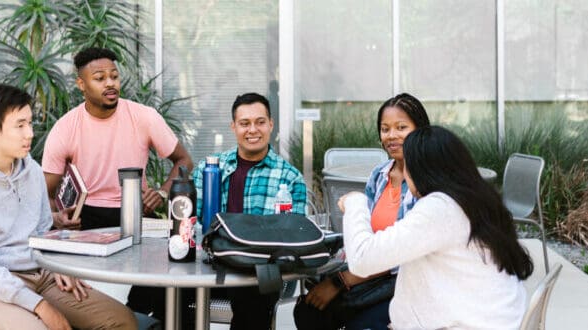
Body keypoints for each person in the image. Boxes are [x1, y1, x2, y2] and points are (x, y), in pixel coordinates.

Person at [0, 85, 138, 330]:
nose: (30, 133)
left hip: (43, 277)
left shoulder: (31, 170)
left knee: (121, 321)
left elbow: (44, 231)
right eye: (20, 125)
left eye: (30, 123)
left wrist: (58, 266)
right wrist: (40, 306)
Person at [339, 126, 533, 329]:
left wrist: (356, 202)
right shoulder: (475, 199)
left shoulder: (440, 209)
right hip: (493, 318)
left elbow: (362, 259)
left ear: (420, 170)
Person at [295, 93, 430, 330]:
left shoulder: (425, 183)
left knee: (356, 323)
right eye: (385, 129)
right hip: (370, 273)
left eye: (401, 127)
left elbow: (399, 256)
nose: (392, 135)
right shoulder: (380, 174)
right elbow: (365, 234)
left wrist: (340, 282)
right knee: (307, 310)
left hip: (403, 283)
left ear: (420, 130)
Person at [42, 47, 193, 230]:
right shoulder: (65, 127)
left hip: (136, 211)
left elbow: (184, 160)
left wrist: (162, 193)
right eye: (100, 78)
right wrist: (56, 219)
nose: (110, 83)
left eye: (114, 76)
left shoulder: (145, 116)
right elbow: (47, 194)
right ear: (81, 84)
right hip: (85, 215)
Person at [194, 92, 307, 329]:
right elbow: (191, 218)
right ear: (233, 127)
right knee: (153, 294)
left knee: (251, 309)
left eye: (260, 122)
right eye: (244, 123)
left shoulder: (290, 178)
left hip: (257, 270)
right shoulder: (210, 168)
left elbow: (292, 235)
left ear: (271, 125)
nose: (252, 130)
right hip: (208, 265)